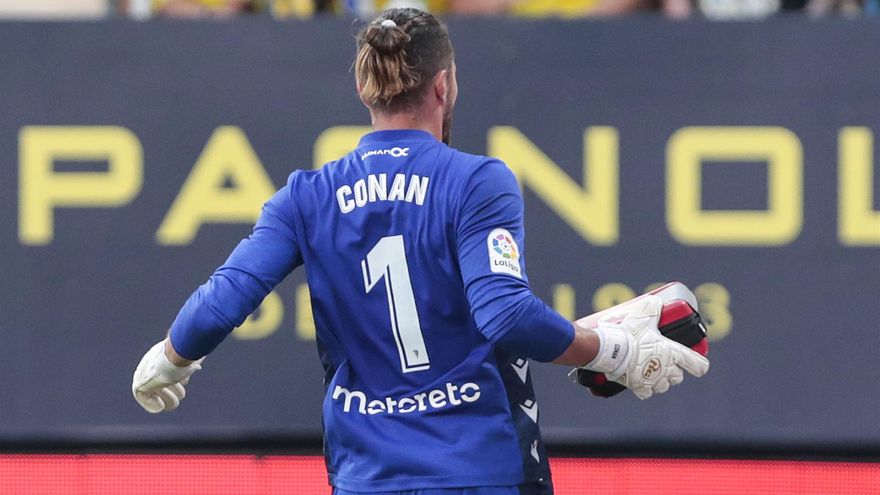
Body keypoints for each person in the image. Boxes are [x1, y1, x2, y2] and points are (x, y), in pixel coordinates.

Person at [131, 8, 709, 494]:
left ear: (364, 89)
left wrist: (168, 359)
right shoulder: (477, 181)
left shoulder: (305, 196)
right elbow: (506, 315)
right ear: (444, 84)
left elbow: (223, 301)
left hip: (367, 476)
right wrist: (610, 351)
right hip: (480, 469)